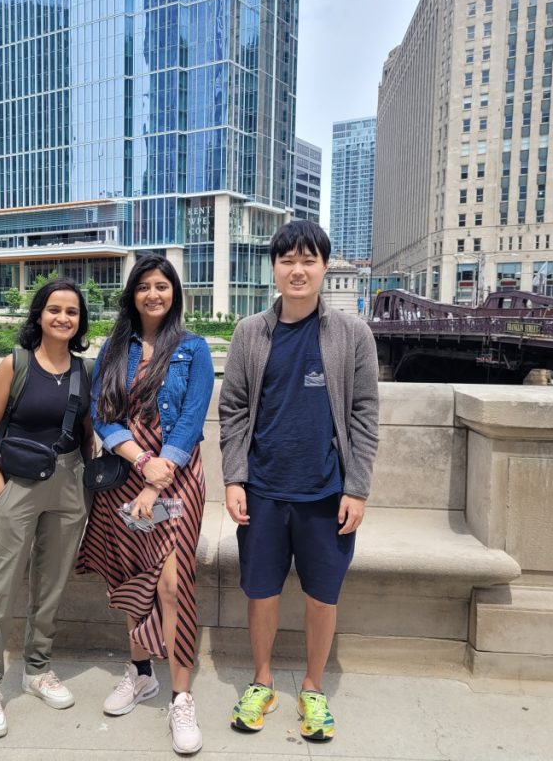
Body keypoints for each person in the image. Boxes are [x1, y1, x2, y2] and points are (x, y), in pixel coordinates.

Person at [218, 220, 379, 742]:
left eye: (309, 260)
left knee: (322, 595)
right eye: (287, 260)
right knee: (261, 591)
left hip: (327, 491)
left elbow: (363, 414)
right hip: (263, 489)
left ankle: (313, 687)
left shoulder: (351, 333)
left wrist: (357, 487)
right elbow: (235, 409)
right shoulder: (250, 333)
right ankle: (261, 680)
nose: (298, 269)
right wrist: (234, 477)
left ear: (325, 267)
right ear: (274, 268)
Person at [76, 254, 215, 755]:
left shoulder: (193, 349)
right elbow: (100, 413)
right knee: (133, 576)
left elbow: (193, 419)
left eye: (162, 286)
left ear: (174, 293)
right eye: (145, 286)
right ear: (132, 294)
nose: (154, 294)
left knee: (173, 584)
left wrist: (157, 479)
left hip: (177, 481)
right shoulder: (114, 349)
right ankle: (140, 675)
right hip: (125, 478)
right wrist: (140, 465)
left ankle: (181, 695)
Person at [0, 279, 94, 739]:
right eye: (55, 309)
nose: (64, 318)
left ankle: (37, 668)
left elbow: (87, 431)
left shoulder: (84, 371)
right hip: (17, 484)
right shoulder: (15, 364)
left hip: (67, 486)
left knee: (51, 584)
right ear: (39, 315)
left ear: (80, 322)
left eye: (72, 312)